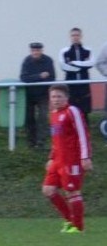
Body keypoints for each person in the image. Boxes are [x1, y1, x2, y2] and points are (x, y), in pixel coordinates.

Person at [42, 84, 90, 233]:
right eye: (53, 97)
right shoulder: (53, 114)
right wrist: (51, 157)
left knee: (72, 192)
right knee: (48, 190)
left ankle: (78, 227)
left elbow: (83, 134)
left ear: (66, 97)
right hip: (57, 160)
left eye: (59, 96)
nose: (56, 99)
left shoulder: (72, 111)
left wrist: (85, 157)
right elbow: (56, 139)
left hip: (72, 160)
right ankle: (70, 220)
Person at [20, 42, 56, 148]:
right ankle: (31, 141)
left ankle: (41, 141)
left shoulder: (48, 60)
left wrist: (34, 78)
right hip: (29, 94)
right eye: (33, 50)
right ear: (31, 51)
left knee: (43, 117)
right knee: (29, 118)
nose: (35, 52)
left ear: (41, 51)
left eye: (38, 50)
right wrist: (39, 76)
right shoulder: (27, 61)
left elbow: (52, 77)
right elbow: (24, 78)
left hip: (43, 94)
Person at [61, 27, 94, 119]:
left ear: (81, 36)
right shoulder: (64, 51)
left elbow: (91, 63)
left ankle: (85, 128)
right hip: (71, 85)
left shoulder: (88, 50)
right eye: (73, 35)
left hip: (84, 85)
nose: (75, 37)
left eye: (77, 35)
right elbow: (64, 67)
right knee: (71, 112)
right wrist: (82, 66)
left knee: (84, 112)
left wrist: (74, 63)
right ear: (70, 37)